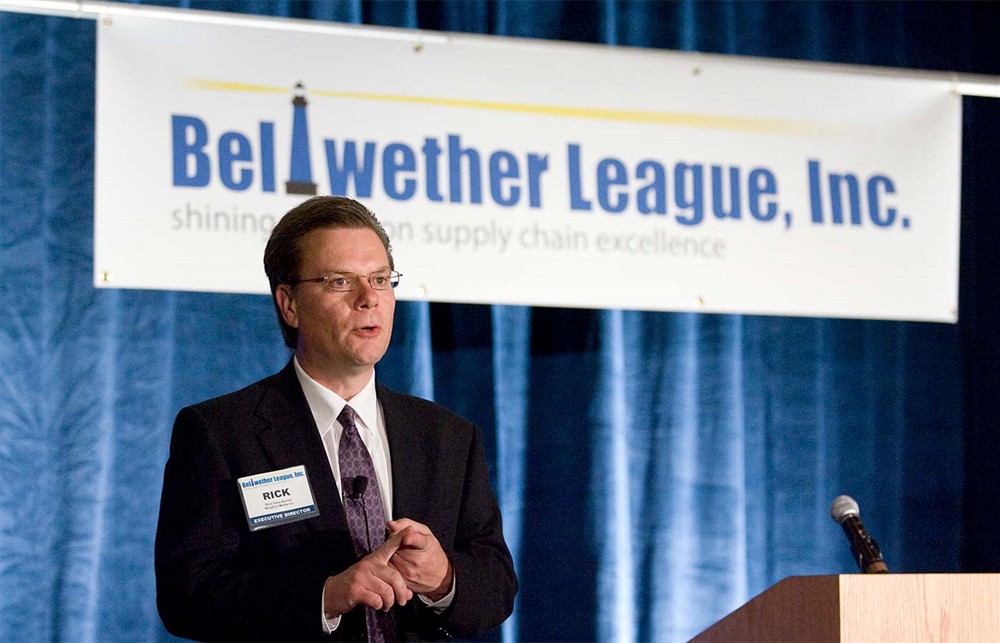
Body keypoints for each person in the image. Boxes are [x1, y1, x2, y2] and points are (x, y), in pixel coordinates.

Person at [155, 196, 517, 641]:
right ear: (289, 304)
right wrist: (325, 596)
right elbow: (187, 595)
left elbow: (497, 587)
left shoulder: (447, 436)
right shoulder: (222, 433)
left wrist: (444, 578)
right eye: (340, 281)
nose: (369, 299)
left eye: (381, 279)